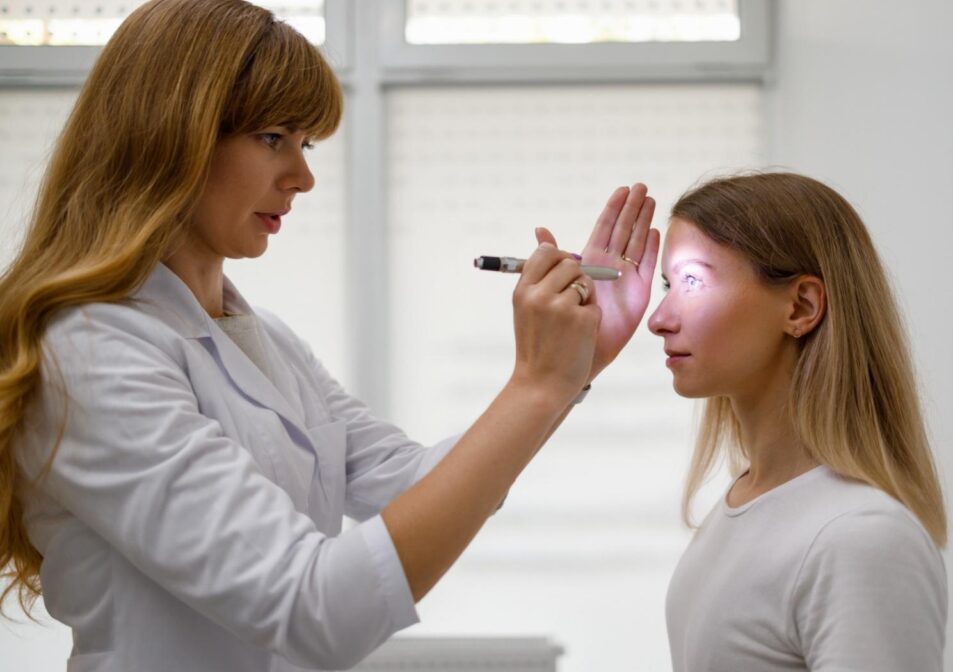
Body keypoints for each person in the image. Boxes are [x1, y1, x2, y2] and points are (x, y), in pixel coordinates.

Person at [0, 1, 660, 670]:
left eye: (304, 143)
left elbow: (416, 486)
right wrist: (537, 385)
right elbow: (310, 608)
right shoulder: (88, 351)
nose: (303, 177)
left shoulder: (266, 342)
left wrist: (573, 369)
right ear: (173, 134)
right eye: (272, 138)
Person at [647, 172, 948, 671]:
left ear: (802, 306)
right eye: (667, 284)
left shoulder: (861, 538)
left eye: (693, 281)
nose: (658, 318)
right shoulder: (742, 507)